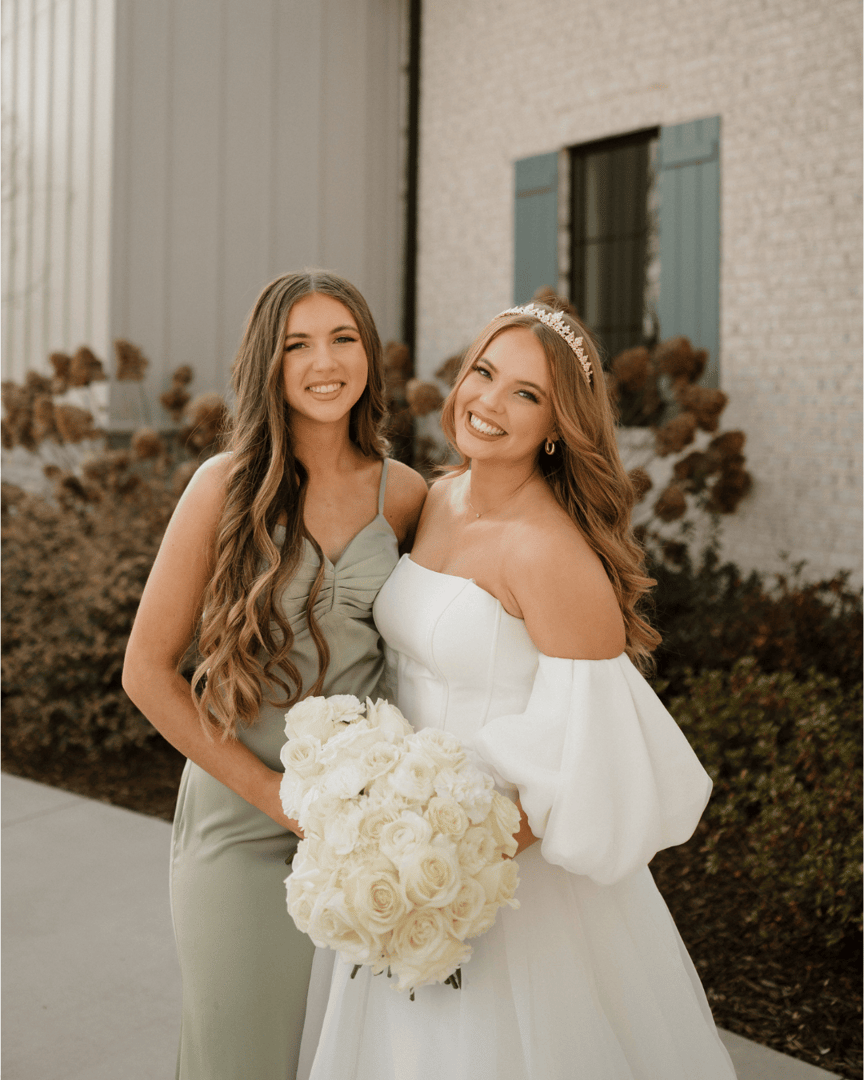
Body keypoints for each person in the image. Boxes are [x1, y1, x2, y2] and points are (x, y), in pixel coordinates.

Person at [297, 302, 737, 1079]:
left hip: (502, 878)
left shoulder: (551, 555)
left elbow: (589, 755)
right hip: (399, 846)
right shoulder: (436, 497)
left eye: (526, 395)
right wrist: (375, 846)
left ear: (560, 424)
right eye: (484, 374)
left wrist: (440, 875)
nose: (489, 404)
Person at [122, 271, 428, 1080]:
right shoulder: (221, 487)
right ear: (269, 363)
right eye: (297, 344)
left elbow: (428, 650)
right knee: (240, 1060)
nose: (323, 362)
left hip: (371, 827)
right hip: (241, 814)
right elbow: (146, 672)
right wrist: (273, 795)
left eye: (342, 339)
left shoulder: (406, 495)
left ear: (368, 354)